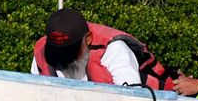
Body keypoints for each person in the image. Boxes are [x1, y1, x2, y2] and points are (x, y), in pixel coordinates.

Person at [31, 7, 175, 90]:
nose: (63, 56)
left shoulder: (115, 50)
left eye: (70, 50)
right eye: (57, 50)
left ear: (88, 40)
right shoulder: (44, 52)